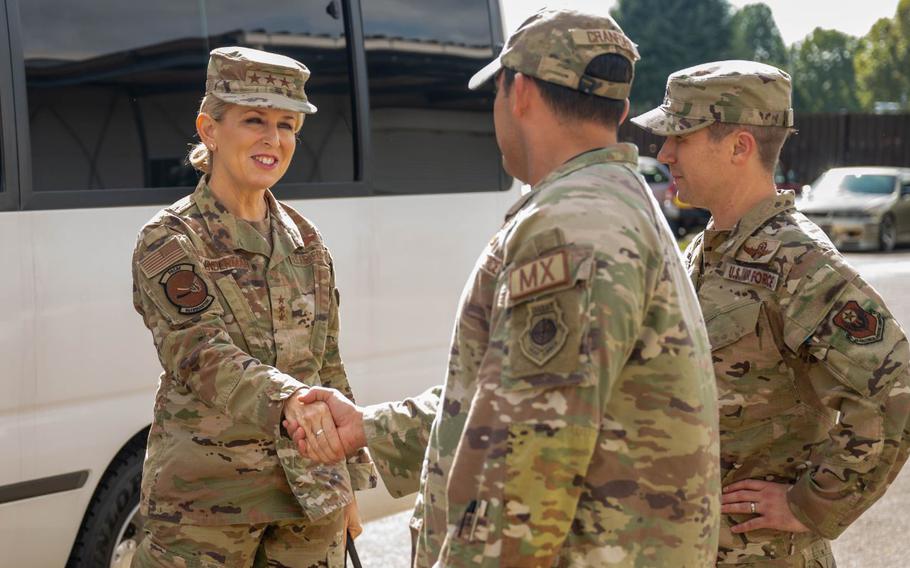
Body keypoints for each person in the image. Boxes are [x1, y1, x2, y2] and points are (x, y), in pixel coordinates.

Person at [286, 9, 720, 567]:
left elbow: (526, 477)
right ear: (621, 110)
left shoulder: (570, 227)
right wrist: (369, 427)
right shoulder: (608, 203)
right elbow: (505, 400)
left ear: (518, 93)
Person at [631, 60, 910, 566]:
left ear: (740, 147)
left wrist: (810, 506)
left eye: (681, 137)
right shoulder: (706, 249)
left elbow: (895, 392)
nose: (664, 152)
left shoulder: (799, 261)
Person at [130, 46, 375, 567]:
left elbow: (328, 362)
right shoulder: (171, 239)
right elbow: (200, 354)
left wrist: (348, 478)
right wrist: (289, 401)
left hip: (310, 503)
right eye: (255, 120)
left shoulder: (306, 240)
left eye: (287, 125)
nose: (274, 139)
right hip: (207, 510)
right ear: (210, 128)